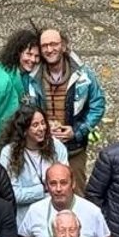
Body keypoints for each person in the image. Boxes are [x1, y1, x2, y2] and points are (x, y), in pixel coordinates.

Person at [25, 24, 107, 184]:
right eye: (44, 46)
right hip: (43, 147)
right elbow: (27, 108)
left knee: (76, 189)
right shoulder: (32, 77)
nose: (49, 49)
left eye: (53, 44)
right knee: (42, 189)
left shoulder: (83, 75)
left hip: (74, 148)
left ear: (63, 46)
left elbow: (98, 105)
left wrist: (77, 131)